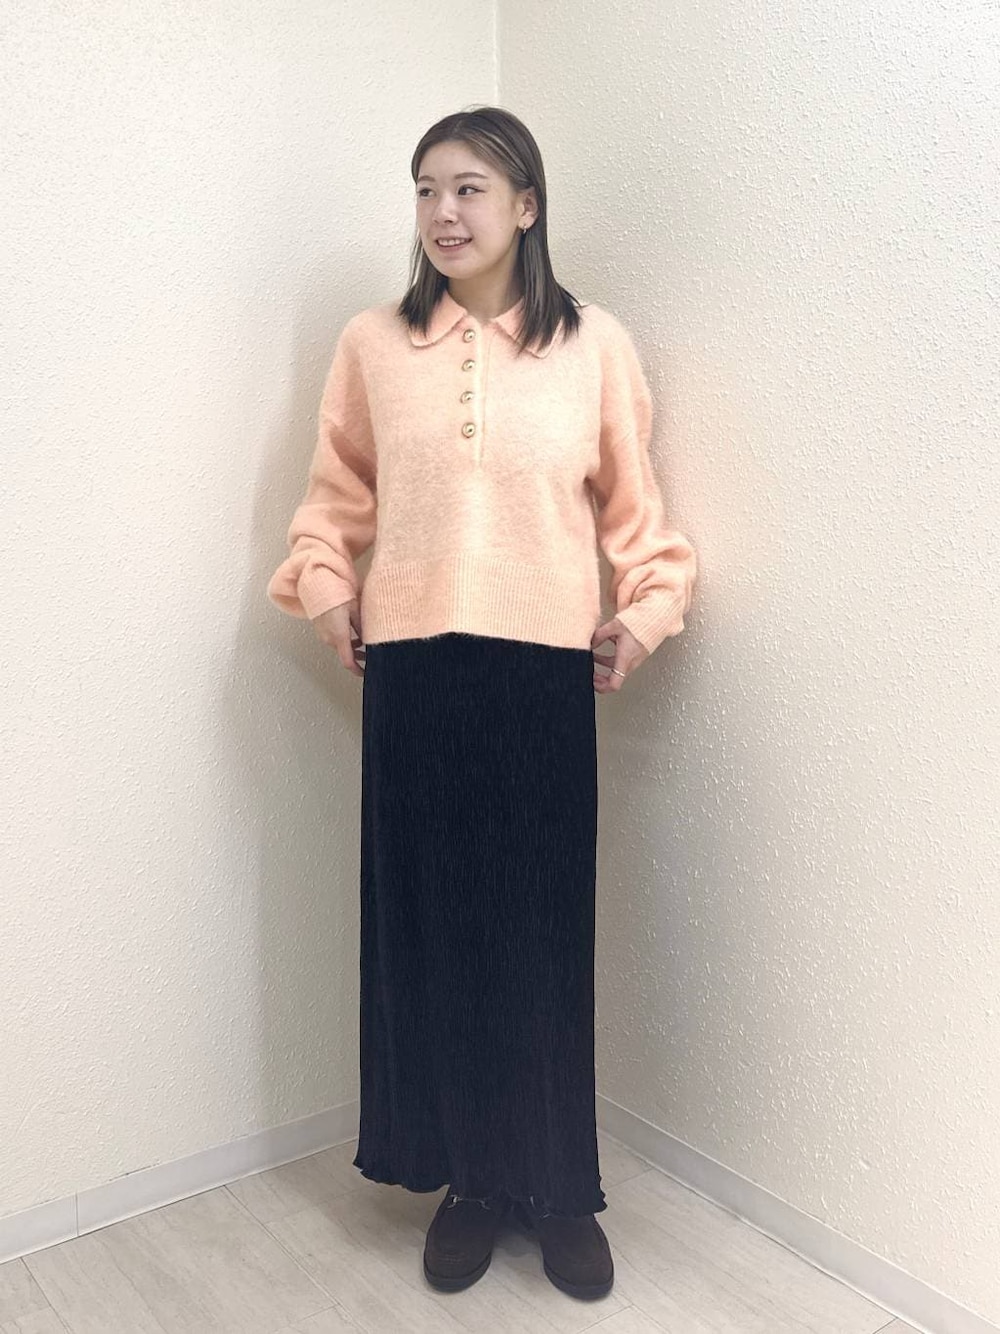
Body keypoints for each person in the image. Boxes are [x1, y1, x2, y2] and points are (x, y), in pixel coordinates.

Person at [266, 105, 697, 1302]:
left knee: (539, 939)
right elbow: (333, 498)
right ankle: (468, 1179)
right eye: (424, 190)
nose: (443, 212)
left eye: (468, 188)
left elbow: (638, 517)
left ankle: (557, 1189)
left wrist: (645, 611)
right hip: (412, 672)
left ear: (525, 205)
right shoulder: (373, 343)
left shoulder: (593, 344)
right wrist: (326, 588)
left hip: (537, 675)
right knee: (433, 936)